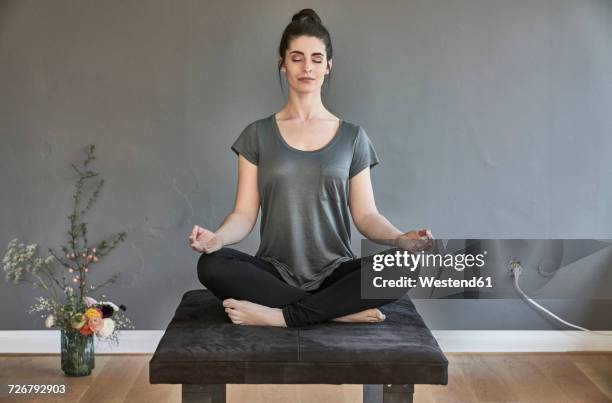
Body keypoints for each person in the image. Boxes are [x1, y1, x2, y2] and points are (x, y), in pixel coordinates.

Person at [189, 8, 434, 328]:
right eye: (297, 57)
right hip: (274, 273)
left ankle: (283, 316)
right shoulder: (256, 135)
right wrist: (217, 239)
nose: (307, 67)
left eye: (317, 58)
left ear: (328, 66)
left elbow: (366, 216)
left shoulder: (353, 137)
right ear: (282, 63)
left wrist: (400, 239)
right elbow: (244, 215)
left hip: (335, 273)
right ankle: (337, 312)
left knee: (406, 266)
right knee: (211, 265)